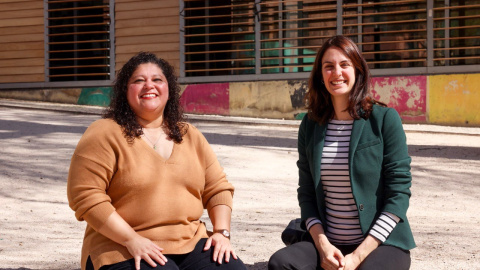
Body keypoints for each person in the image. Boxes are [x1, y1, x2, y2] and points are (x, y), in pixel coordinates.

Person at [67, 52, 246, 270]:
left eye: (157, 80)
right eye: (138, 80)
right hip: (119, 245)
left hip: (189, 241)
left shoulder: (190, 134)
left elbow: (218, 188)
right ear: (125, 90)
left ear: (169, 89)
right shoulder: (104, 133)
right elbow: (85, 196)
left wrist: (221, 233)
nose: (148, 86)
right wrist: (131, 239)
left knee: (231, 268)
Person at [268, 36, 415, 270]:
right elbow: (306, 193)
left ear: (357, 70)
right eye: (329, 66)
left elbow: (399, 193)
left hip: (379, 243)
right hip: (329, 241)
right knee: (280, 263)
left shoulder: (385, 119)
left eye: (344, 64)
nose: (336, 72)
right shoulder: (310, 124)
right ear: (320, 75)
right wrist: (323, 245)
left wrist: (357, 257)